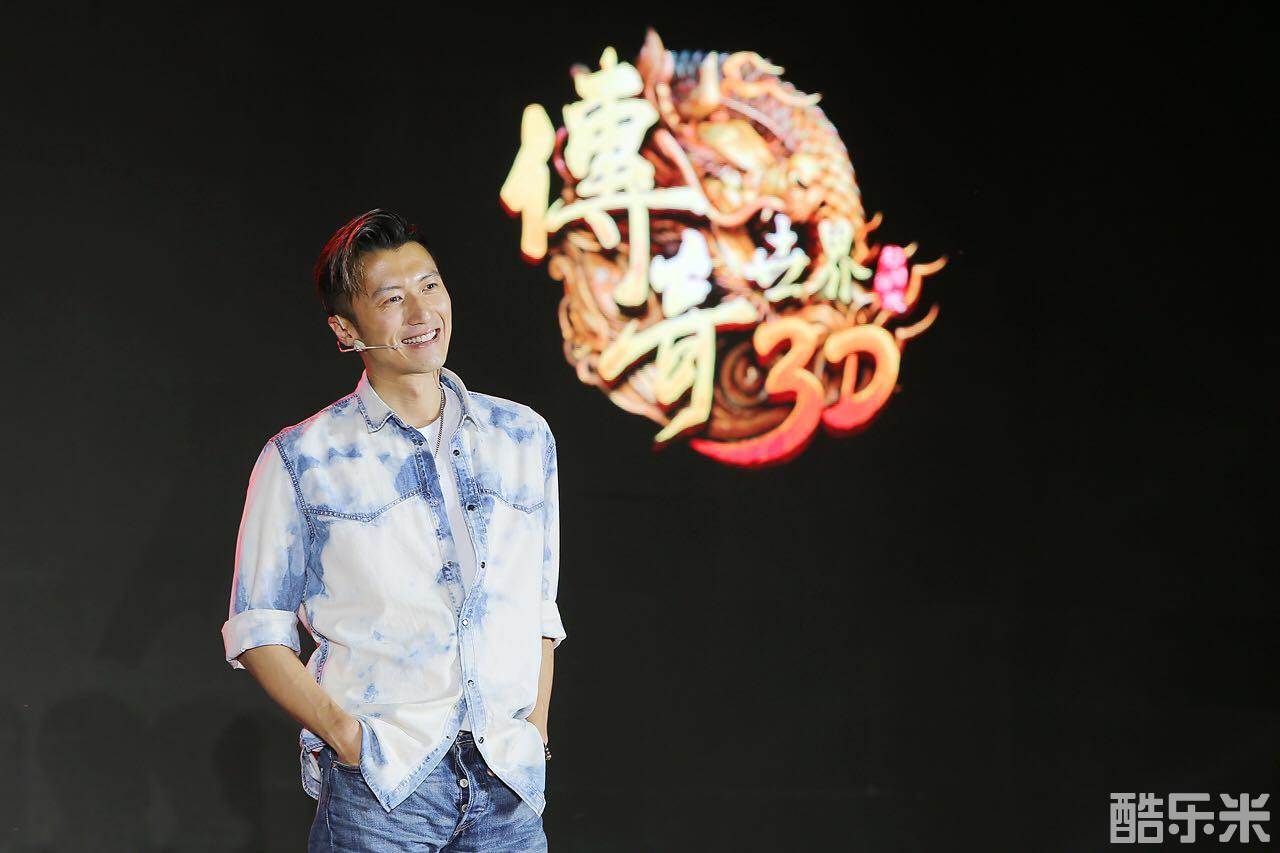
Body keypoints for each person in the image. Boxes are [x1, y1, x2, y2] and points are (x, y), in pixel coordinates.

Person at [220, 209, 566, 851]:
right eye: (392, 298)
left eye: (430, 286)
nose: (421, 312)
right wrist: (348, 740)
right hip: (384, 785)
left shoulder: (522, 437)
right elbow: (257, 630)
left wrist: (534, 730)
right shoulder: (304, 457)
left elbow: (538, 608)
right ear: (345, 329)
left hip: (506, 780)